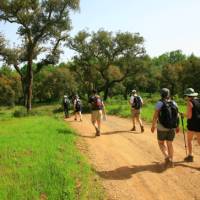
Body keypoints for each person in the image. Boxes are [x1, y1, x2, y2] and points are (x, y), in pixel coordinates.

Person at [151, 88, 179, 167]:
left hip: (161, 127)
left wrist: (153, 126)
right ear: (168, 94)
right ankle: (171, 160)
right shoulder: (174, 102)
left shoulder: (159, 103)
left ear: (161, 94)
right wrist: (177, 126)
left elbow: (155, 116)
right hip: (172, 127)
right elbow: (177, 115)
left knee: (161, 143)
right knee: (170, 144)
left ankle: (167, 156)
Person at [182, 88, 200, 162]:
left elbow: (189, 116)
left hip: (192, 124)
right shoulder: (199, 100)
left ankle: (190, 155)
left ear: (188, 95)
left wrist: (183, 114)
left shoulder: (189, 102)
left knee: (189, 140)